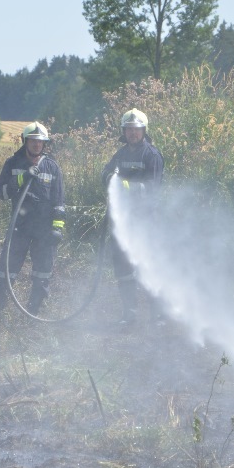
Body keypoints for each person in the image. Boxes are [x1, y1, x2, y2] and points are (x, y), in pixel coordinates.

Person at [0, 122, 65, 315]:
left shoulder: (52, 167)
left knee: (42, 273)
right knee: (6, 270)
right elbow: (2, 193)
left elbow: (59, 202)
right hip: (20, 227)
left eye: (40, 141)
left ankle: (34, 313)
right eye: (33, 141)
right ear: (25, 141)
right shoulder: (12, 163)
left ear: (44, 143)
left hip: (44, 230)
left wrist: (57, 228)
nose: (37, 144)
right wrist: (21, 178)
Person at [101, 108, 165, 326]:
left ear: (144, 131)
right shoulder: (120, 155)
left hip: (145, 222)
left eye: (136, 129)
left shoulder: (151, 155)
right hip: (122, 222)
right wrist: (109, 177)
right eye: (129, 129)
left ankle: (157, 315)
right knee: (123, 268)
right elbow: (105, 173)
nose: (133, 133)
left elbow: (152, 188)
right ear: (124, 131)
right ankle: (129, 314)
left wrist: (124, 185)